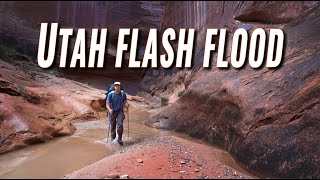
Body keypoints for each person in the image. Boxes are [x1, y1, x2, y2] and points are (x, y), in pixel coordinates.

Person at [106, 81, 129, 146]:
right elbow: (107, 103)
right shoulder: (111, 94)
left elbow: (125, 101)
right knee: (113, 126)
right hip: (112, 112)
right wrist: (109, 109)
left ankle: (120, 139)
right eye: (116, 86)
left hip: (120, 111)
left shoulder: (123, 94)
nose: (117, 87)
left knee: (120, 125)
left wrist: (126, 104)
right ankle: (113, 139)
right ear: (114, 87)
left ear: (120, 87)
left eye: (118, 86)